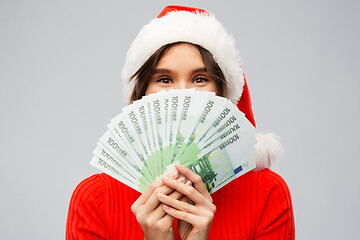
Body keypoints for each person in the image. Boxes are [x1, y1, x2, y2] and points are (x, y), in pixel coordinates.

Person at [66, 5, 295, 240]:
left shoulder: (267, 193)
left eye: (200, 79)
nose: (183, 94)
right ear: (140, 95)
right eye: (165, 79)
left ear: (222, 94)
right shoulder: (94, 199)